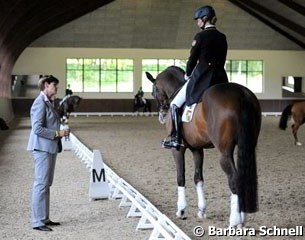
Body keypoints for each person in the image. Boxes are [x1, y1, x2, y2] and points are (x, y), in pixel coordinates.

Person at [162, 5, 228, 150]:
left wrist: (187, 75)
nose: (197, 23)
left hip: (202, 78)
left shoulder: (200, 36)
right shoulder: (222, 37)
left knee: (174, 105)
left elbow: (192, 59)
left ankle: (176, 139)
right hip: (221, 78)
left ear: (204, 19)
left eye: (198, 20)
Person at [27, 75, 70, 231]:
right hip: (42, 148)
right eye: (54, 86)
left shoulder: (49, 102)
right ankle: (37, 221)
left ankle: (44, 217)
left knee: (46, 184)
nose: (56, 89)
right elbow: (37, 129)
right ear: (46, 85)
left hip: (49, 148)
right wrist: (58, 134)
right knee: (40, 184)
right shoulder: (39, 103)